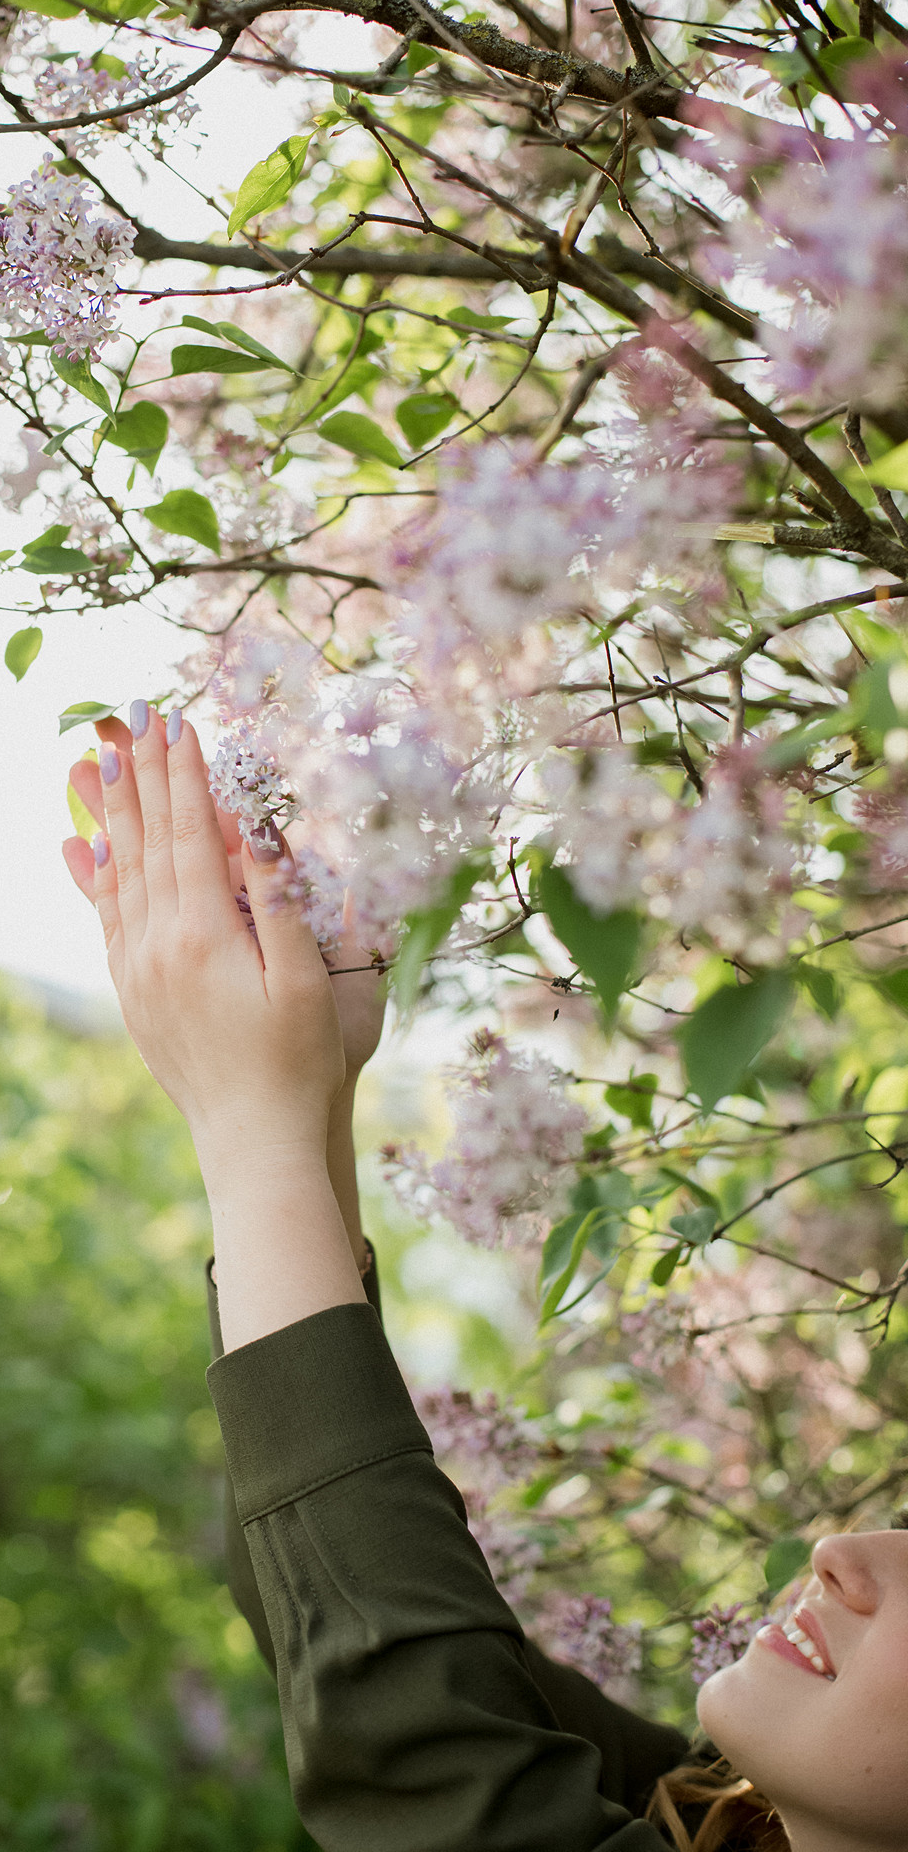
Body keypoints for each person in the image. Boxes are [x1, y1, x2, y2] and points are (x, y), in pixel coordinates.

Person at [63, 703, 908, 1852]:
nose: (843, 1558)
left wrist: (249, 1123)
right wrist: (307, 1101)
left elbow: (414, 1743)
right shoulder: (706, 1814)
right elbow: (326, 1611)